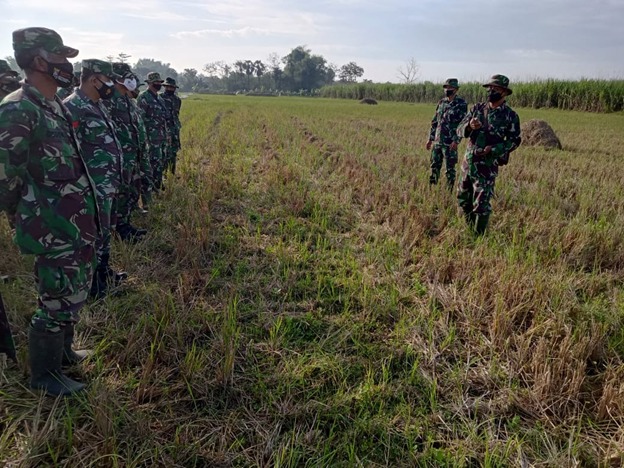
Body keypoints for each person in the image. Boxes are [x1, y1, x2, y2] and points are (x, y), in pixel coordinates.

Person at [0, 27, 100, 396]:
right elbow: (5, 177)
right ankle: (45, 376)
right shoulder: (17, 108)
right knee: (55, 298)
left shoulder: (53, 103)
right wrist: (25, 216)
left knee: (73, 290)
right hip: (50, 224)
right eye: (61, 58)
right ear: (40, 60)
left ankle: (65, 353)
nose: (67, 66)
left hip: (75, 220)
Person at [63, 59, 126, 298]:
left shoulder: (98, 104)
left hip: (106, 185)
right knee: (91, 236)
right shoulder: (73, 107)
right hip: (90, 187)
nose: (111, 85)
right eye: (108, 80)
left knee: (105, 231)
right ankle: (91, 285)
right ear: (94, 79)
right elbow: (69, 152)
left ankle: (103, 272)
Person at [457, 74, 521, 235]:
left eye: (496, 88)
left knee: (482, 204)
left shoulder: (510, 116)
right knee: (464, 199)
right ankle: (470, 230)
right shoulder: (477, 109)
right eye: (490, 88)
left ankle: (478, 237)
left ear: (504, 92)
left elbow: (514, 140)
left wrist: (495, 149)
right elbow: (459, 129)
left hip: (487, 165)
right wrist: (470, 126)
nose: (491, 91)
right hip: (469, 161)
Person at [103, 63, 148, 242]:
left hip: (132, 155)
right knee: (120, 194)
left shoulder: (128, 99)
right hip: (119, 157)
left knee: (130, 192)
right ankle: (119, 229)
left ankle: (126, 223)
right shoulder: (109, 99)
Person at [426, 78, 467, 188]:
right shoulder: (441, 102)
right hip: (438, 141)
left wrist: (456, 140)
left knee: (450, 169)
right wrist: (430, 139)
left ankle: (449, 190)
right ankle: (432, 187)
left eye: (450, 88)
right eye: (446, 87)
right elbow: (435, 122)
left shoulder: (461, 104)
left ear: (456, 89)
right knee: (434, 166)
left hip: (450, 143)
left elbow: (463, 124)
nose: (447, 89)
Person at [137, 72, 169, 193]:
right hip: (150, 137)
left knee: (161, 161)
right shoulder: (143, 97)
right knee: (152, 162)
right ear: (149, 83)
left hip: (161, 136)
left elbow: (163, 117)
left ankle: (158, 183)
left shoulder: (159, 98)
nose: (158, 84)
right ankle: (150, 188)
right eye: (155, 83)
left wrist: (167, 134)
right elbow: (140, 119)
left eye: (159, 83)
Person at [161, 77, 182, 174]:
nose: (170, 89)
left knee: (174, 152)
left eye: (172, 87)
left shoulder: (177, 100)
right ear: (165, 87)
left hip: (175, 129)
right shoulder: (160, 98)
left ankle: (172, 173)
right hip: (164, 129)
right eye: (168, 87)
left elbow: (177, 114)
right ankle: (164, 174)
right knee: (165, 152)